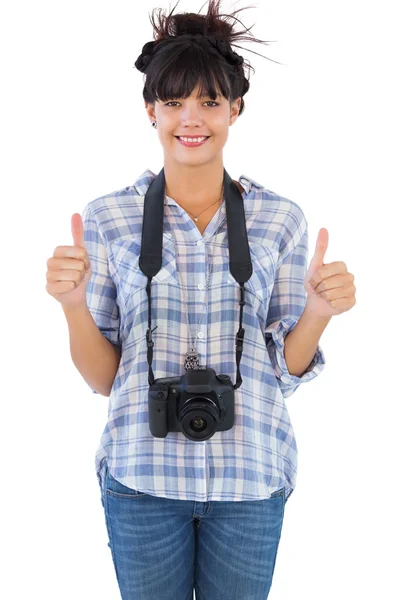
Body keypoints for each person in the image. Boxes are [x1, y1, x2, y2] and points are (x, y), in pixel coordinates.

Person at [45, 1, 332, 598]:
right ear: (150, 110)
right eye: (173, 102)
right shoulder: (110, 218)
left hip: (251, 475)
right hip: (141, 477)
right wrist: (72, 305)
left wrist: (319, 316)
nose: (191, 118)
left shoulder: (279, 219)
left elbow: (284, 371)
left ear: (236, 108)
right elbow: (104, 380)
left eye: (208, 101)